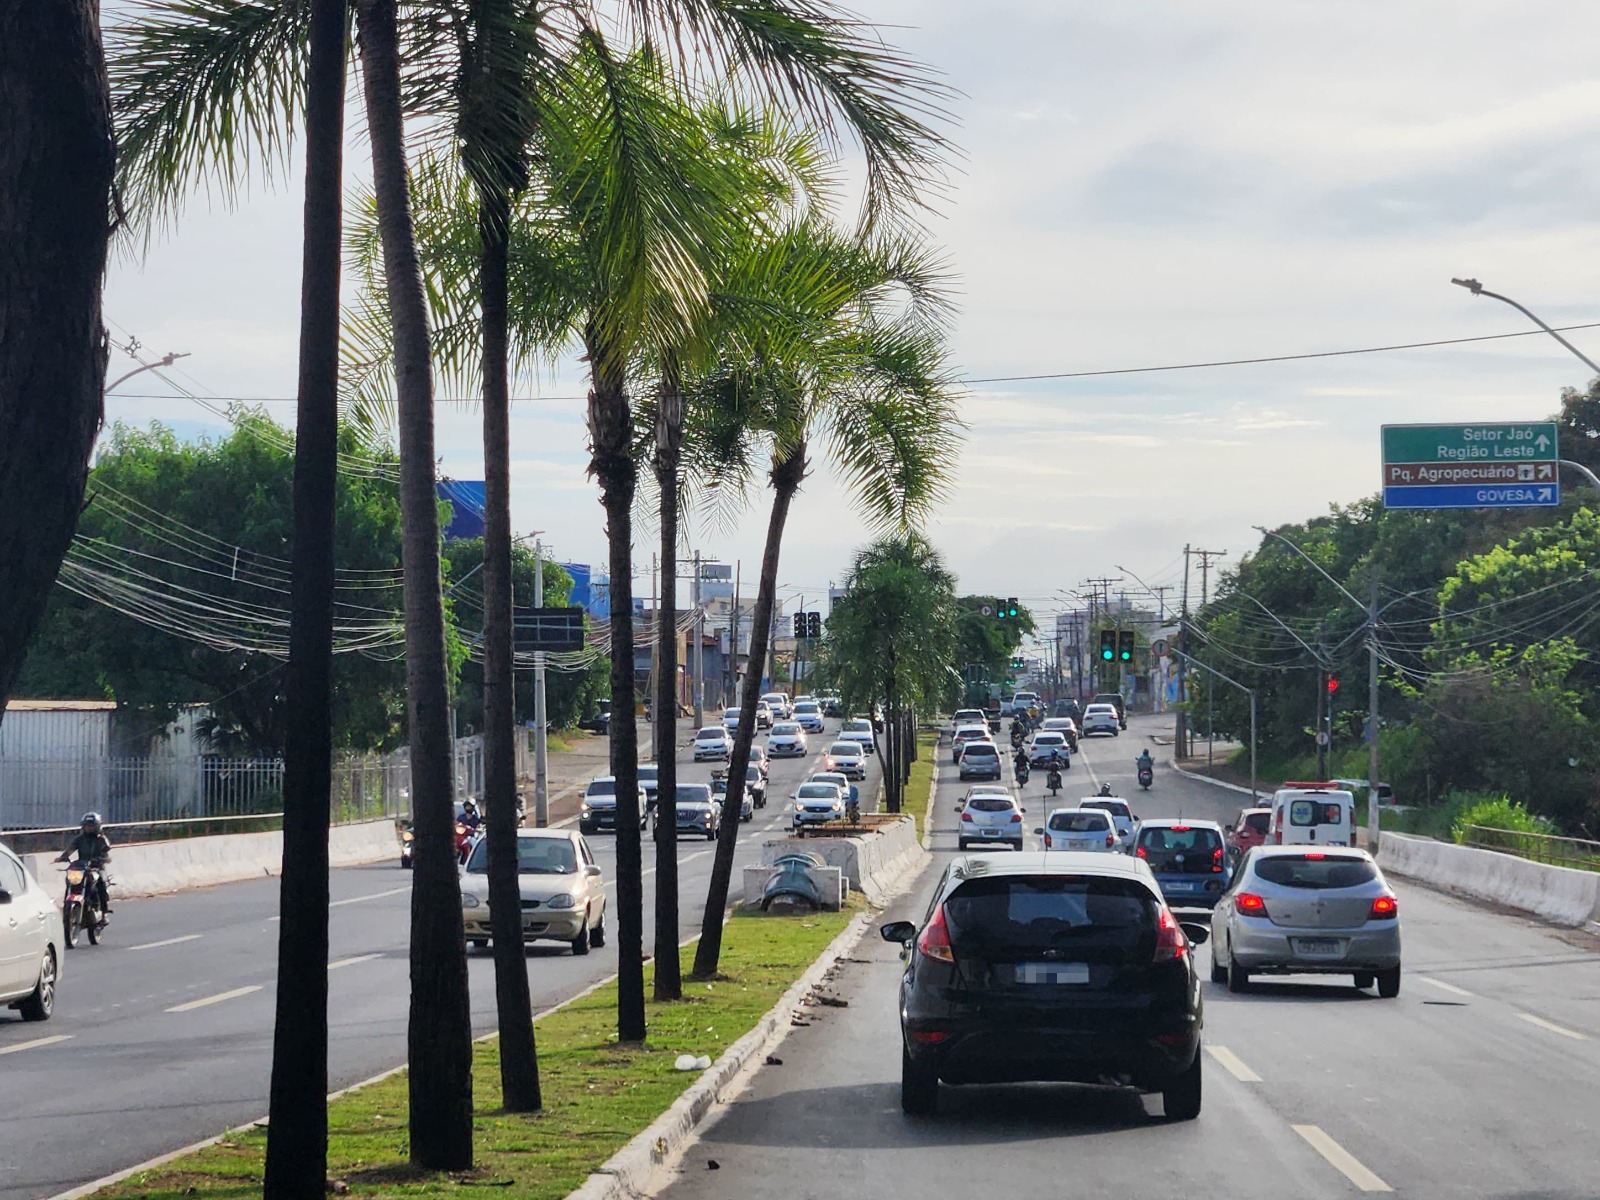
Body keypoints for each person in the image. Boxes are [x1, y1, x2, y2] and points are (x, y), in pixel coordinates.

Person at [55, 811, 112, 913]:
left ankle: (104, 910)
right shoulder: (79, 839)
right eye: (87, 826)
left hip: (97, 868)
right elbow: (70, 849)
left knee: (101, 883)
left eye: (92, 826)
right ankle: (67, 904)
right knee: (70, 881)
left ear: (97, 826)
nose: (89, 828)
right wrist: (63, 857)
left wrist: (104, 859)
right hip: (82, 867)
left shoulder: (102, 839)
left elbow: (106, 852)